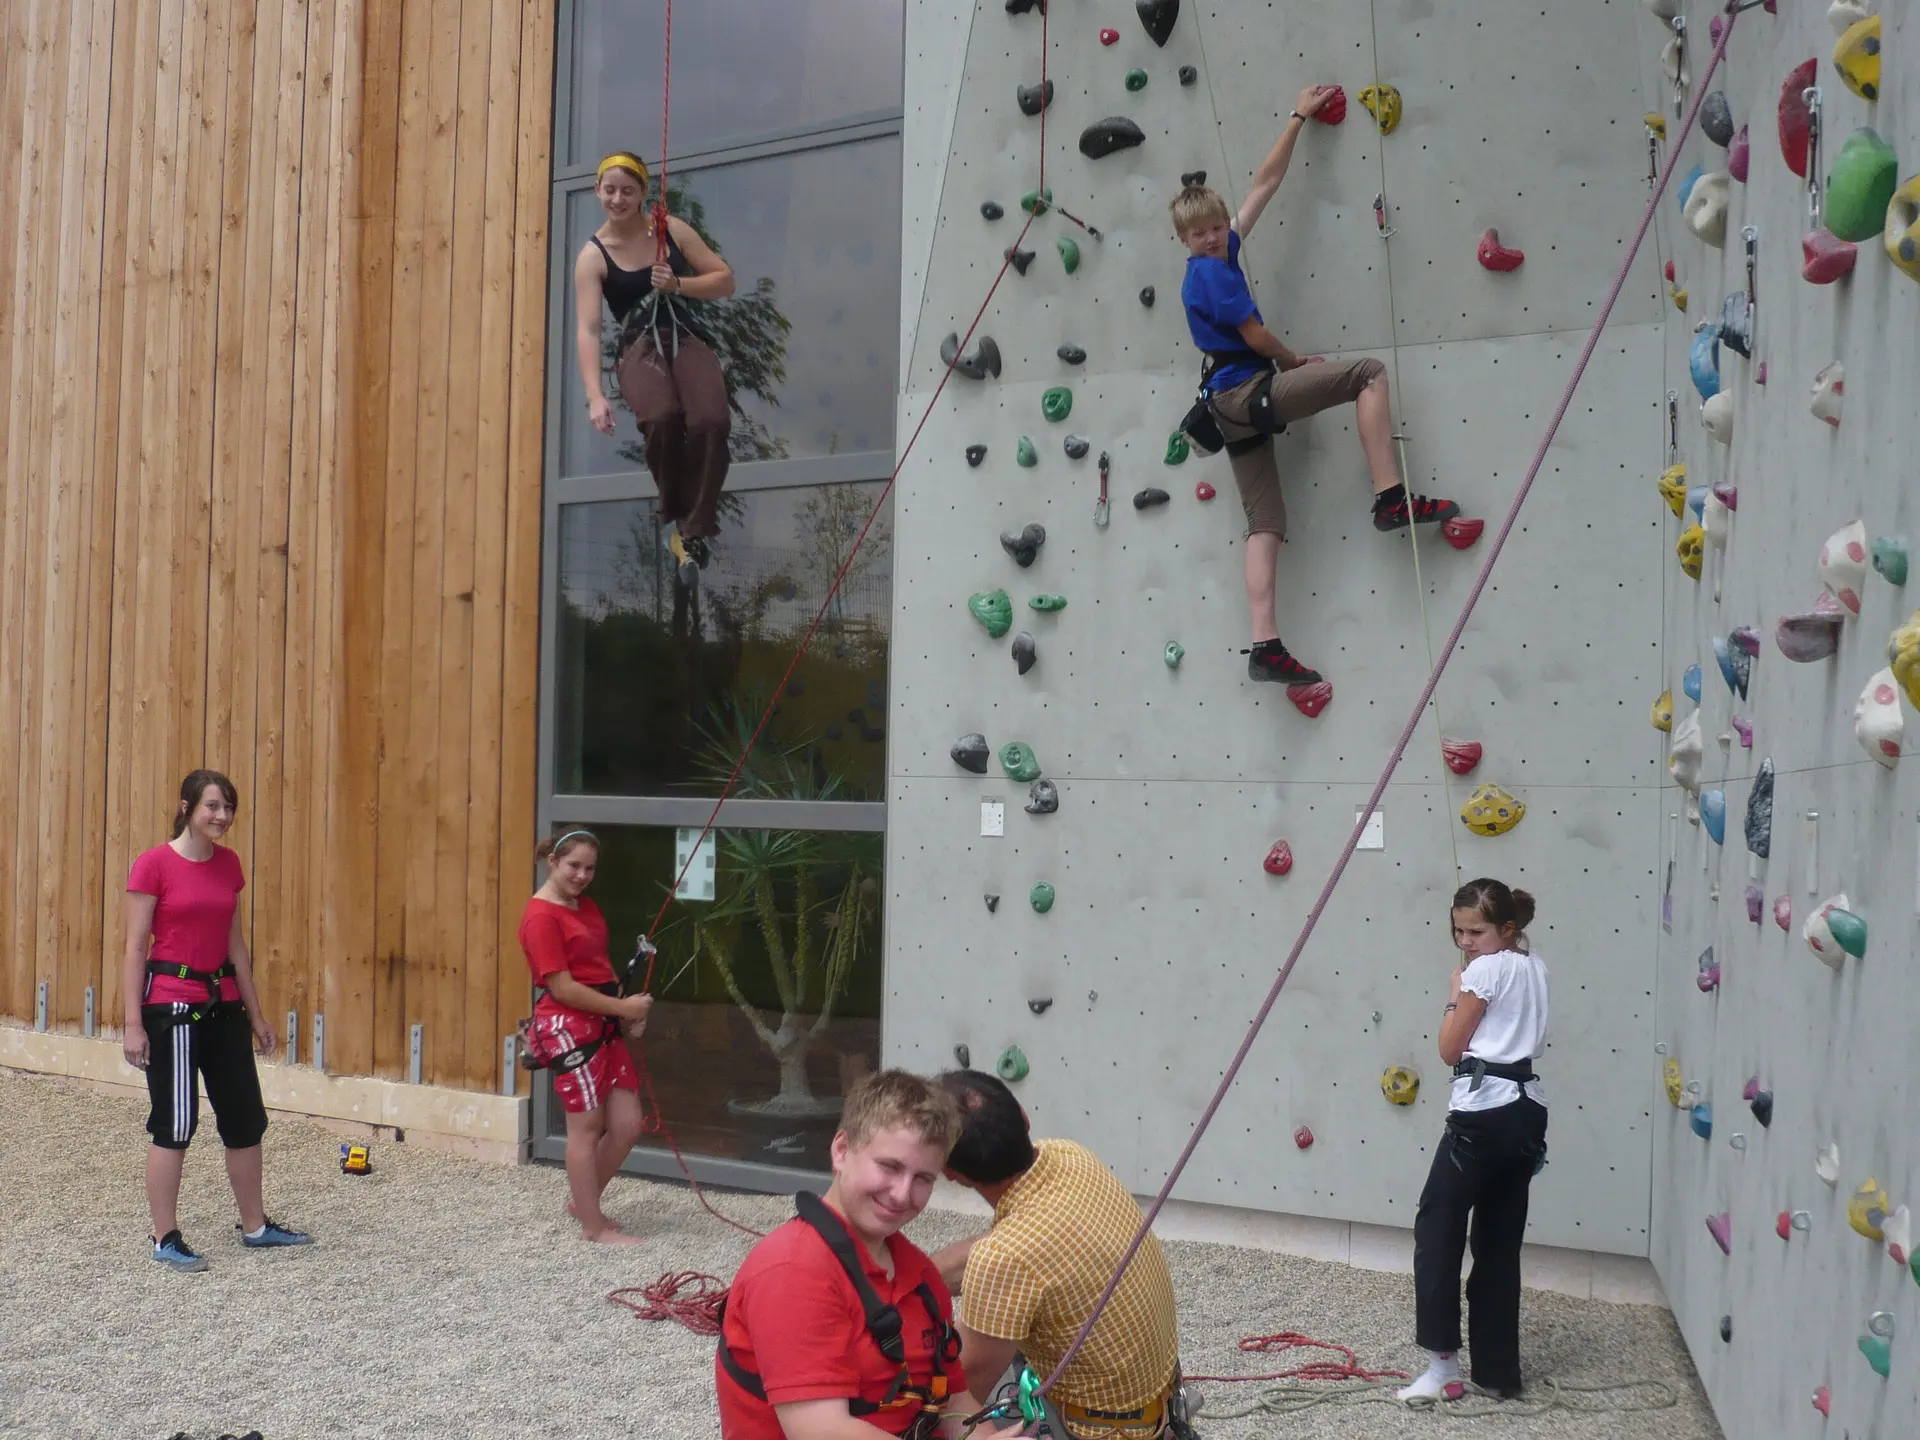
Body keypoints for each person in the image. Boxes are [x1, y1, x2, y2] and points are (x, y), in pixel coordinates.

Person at [1172, 85, 1461, 688]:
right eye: (1197, 234)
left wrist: (1297, 117)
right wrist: (1297, 361)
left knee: (1266, 523)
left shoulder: (1220, 255)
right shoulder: (1211, 276)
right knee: (1367, 375)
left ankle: (1265, 645)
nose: (1211, 237)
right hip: (1244, 393)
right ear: (1184, 242)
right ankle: (1390, 497)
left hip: (1228, 412)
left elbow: (1262, 187)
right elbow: (1254, 337)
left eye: (1214, 228)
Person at [716, 1069, 979, 1439]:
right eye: (889, 1166)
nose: (902, 1194)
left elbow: (953, 1400)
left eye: (923, 1178)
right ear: (842, 1151)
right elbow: (819, 1430)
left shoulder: (919, 1274)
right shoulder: (792, 1271)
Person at [121, 769, 310, 1271]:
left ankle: (256, 1226)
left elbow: (236, 944)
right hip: (171, 1005)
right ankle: (166, 1238)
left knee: (245, 1118)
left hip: (223, 1003)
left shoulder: (229, 866)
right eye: (212, 806)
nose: (222, 816)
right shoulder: (153, 865)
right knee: (176, 1121)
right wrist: (131, 1024)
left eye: (228, 807)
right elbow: (135, 946)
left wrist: (256, 1014)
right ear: (186, 807)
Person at [930, 1071, 1186, 1440]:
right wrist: (911, 1280)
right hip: (1150, 1395)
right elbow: (1003, 1247)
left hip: (1100, 1429)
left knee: (933, 1394)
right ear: (1023, 1115)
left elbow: (960, 1394)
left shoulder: (1006, 1257)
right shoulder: (1068, 1156)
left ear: (949, 1172)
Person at [1398, 878, 1550, 1404]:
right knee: (1498, 1244)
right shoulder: (1536, 968)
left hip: (1482, 1113)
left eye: (1476, 931)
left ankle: (1443, 1365)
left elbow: (1448, 1048)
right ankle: (1499, 1373)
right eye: (1458, 930)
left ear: (1507, 929)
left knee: (1437, 1227)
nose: (1465, 941)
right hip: (1528, 1110)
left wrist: (1452, 997)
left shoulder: (1483, 970)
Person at [574, 150, 737, 585]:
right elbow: (588, 330)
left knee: (711, 421)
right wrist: (595, 395)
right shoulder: (592, 257)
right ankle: (681, 518)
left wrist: (679, 284)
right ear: (597, 191)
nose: (618, 199)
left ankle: (695, 531)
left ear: (644, 193)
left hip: (684, 334)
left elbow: (724, 279)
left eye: (628, 191)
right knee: (660, 418)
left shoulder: (671, 230)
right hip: (639, 346)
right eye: (610, 190)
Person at [517, 828, 654, 1245]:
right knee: (587, 1127)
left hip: (603, 1021)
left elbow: (600, 966)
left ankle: (585, 1201)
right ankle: (593, 1228)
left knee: (628, 1124)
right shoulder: (541, 917)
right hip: (567, 1026)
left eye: (589, 868)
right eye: (573, 865)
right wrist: (623, 1009)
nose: (581, 875)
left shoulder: (586, 907)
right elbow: (562, 988)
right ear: (552, 862)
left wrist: (626, 1010)